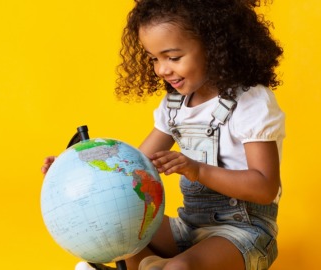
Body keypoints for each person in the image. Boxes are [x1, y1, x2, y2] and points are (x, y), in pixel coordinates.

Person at [41, 0, 285, 269]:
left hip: (243, 232)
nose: (162, 70)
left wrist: (198, 170)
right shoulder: (174, 106)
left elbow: (264, 187)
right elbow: (134, 166)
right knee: (117, 226)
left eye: (173, 57)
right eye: (154, 59)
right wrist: (74, 168)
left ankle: (156, 266)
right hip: (189, 227)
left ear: (215, 46)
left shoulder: (251, 103)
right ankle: (152, 265)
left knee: (180, 268)